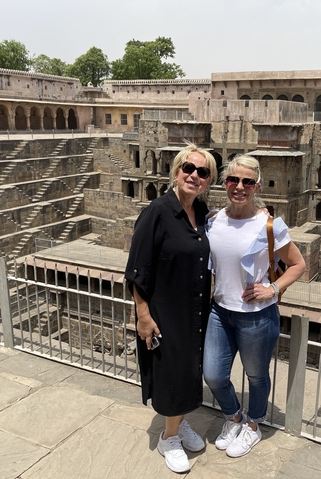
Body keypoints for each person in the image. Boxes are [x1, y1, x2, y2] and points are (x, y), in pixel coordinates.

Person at [204, 155, 305, 458]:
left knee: (256, 376)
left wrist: (272, 288)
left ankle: (253, 426)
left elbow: (298, 265)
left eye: (247, 182)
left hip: (257, 317)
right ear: (224, 183)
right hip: (220, 311)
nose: (239, 187)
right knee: (213, 374)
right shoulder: (213, 220)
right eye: (233, 180)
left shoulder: (269, 225)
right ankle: (235, 417)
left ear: (257, 186)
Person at [125, 143, 217, 473]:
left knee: (189, 370)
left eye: (202, 172)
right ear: (176, 172)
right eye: (188, 169)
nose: (194, 175)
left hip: (193, 310)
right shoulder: (158, 211)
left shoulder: (203, 214)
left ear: (208, 180)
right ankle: (169, 437)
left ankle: (178, 424)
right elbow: (136, 267)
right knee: (171, 371)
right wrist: (143, 315)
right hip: (165, 309)